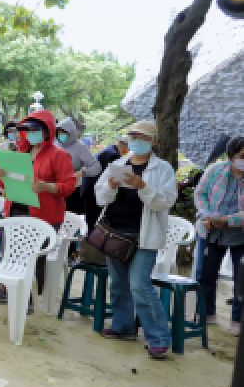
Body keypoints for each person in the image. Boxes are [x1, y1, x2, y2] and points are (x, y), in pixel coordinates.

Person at [95, 120, 176, 358]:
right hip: (116, 232)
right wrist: (110, 186)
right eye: (133, 136)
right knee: (118, 283)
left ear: (154, 142)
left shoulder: (163, 169)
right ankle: (123, 326)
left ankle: (159, 338)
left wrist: (143, 186)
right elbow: (100, 198)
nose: (136, 141)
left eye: (143, 138)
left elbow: (165, 201)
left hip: (144, 236)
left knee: (140, 286)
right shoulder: (118, 164)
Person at [0, 109, 76, 310]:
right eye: (27, 130)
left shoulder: (59, 155)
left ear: (48, 131)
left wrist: (48, 186)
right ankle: (6, 289)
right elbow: (5, 185)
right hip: (16, 210)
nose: (30, 133)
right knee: (11, 253)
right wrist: (2, 175)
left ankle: (30, 298)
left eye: (35, 130)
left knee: (35, 257)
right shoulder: (20, 153)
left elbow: (69, 186)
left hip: (43, 215)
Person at [195, 136, 244, 335]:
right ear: (231, 157)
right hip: (211, 231)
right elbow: (200, 194)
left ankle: (237, 319)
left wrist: (227, 220)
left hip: (240, 234)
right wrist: (205, 215)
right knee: (206, 274)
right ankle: (207, 313)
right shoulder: (215, 170)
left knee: (241, 280)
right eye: (242, 156)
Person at [55, 118, 101, 215]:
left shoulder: (80, 147)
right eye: (58, 132)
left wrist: (82, 173)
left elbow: (96, 167)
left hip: (71, 189)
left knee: (69, 217)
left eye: (63, 132)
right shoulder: (54, 143)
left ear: (71, 133)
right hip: (53, 186)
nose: (60, 135)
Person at [84, 135, 129, 231]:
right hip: (93, 188)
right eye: (127, 146)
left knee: (91, 217)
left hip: (91, 186)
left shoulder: (111, 149)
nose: (128, 149)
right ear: (120, 143)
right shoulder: (113, 154)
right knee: (94, 218)